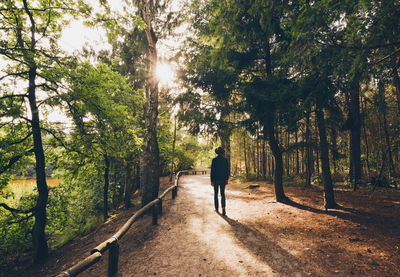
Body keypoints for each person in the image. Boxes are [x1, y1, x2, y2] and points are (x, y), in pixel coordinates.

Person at [210, 146, 230, 215]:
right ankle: (223, 208)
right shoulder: (225, 160)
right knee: (222, 194)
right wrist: (227, 179)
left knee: (216, 194)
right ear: (222, 153)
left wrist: (211, 180)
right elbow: (227, 170)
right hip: (223, 180)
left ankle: (216, 209)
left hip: (215, 180)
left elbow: (212, 171)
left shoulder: (214, 160)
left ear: (217, 153)